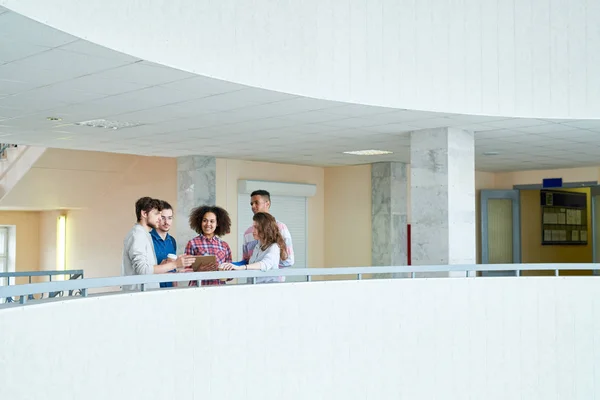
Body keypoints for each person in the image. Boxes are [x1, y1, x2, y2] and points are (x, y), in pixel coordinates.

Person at [122, 197, 195, 291]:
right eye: (157, 214)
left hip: (147, 292)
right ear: (144, 213)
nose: (160, 218)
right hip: (140, 295)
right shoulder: (138, 235)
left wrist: (168, 267)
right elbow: (143, 270)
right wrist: (175, 264)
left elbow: (148, 270)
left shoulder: (144, 235)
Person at [242, 190, 294, 282]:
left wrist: (268, 268)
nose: (253, 206)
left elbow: (288, 260)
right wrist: (232, 266)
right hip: (252, 284)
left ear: (267, 204)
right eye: (251, 204)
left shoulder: (281, 228)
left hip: (272, 284)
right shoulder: (248, 233)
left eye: (256, 203)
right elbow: (246, 260)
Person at [221, 212, 288, 284]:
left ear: (265, 228)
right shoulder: (258, 246)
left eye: (256, 227)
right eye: (253, 227)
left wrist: (242, 267)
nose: (253, 231)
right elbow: (251, 264)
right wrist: (231, 265)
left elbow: (265, 264)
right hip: (254, 286)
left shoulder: (274, 247)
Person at [184, 205, 232, 286]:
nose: (208, 224)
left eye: (212, 221)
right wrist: (198, 270)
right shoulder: (192, 243)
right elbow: (184, 271)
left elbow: (230, 274)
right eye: (205, 220)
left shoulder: (224, 246)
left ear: (217, 224)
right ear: (200, 222)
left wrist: (224, 273)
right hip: (197, 288)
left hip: (218, 289)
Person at [150, 200, 178, 288]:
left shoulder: (172, 241)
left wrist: (175, 289)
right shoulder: (148, 239)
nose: (167, 222)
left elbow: (173, 270)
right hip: (152, 291)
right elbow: (143, 270)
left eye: (169, 218)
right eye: (163, 218)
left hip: (169, 292)